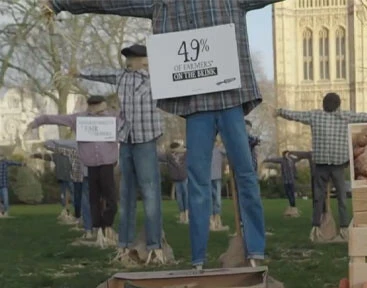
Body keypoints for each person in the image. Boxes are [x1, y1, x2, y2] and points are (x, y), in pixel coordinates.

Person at [44, 0, 280, 270]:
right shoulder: (168, 4)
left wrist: (60, 3)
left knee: (225, 179)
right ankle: (205, 258)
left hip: (220, 102)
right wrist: (61, 3)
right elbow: (113, 3)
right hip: (206, 105)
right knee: (219, 179)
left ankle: (241, 253)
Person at [76, 43, 165, 263]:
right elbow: (102, 73)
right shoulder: (123, 76)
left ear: (144, 60)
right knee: (126, 194)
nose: (128, 62)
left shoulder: (158, 79)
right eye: (127, 59)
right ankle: (124, 245)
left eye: (133, 59)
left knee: (150, 193)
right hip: (126, 139)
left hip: (147, 139)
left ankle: (155, 246)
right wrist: (78, 71)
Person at [277, 93, 367, 242]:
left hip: (321, 164)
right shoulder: (345, 116)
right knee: (341, 198)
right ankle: (344, 230)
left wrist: (280, 111)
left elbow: (296, 115)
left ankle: (316, 229)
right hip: (338, 165)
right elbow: (363, 116)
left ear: (323, 105)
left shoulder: (315, 116)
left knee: (318, 198)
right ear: (339, 105)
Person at [29, 95, 120, 247]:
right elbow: (56, 119)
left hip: (107, 163)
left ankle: (107, 224)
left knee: (110, 197)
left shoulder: (112, 117)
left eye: (99, 108)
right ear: (89, 106)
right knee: (93, 198)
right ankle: (97, 228)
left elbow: (129, 118)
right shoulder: (79, 118)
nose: (96, 111)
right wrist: (37, 122)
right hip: (90, 164)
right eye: (93, 108)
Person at [264, 150, 311, 217]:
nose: (287, 155)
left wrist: (304, 156)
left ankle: (293, 206)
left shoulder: (292, 160)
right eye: (286, 154)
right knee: (288, 193)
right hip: (286, 179)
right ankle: (291, 204)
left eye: (288, 154)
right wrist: (266, 160)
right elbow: (274, 160)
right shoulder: (282, 160)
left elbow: (298, 158)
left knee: (291, 192)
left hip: (291, 179)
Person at [162, 142, 189, 224]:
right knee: (180, 198)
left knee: (186, 196)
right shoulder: (169, 156)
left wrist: (182, 148)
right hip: (176, 179)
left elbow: (188, 149)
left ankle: (187, 216)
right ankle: (182, 216)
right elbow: (162, 154)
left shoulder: (184, 155)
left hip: (184, 177)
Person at [210, 138, 226, 231]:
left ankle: (217, 220)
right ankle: (212, 221)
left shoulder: (219, 149)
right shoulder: (206, 150)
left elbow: (228, 152)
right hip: (208, 177)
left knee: (218, 199)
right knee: (211, 199)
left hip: (217, 177)